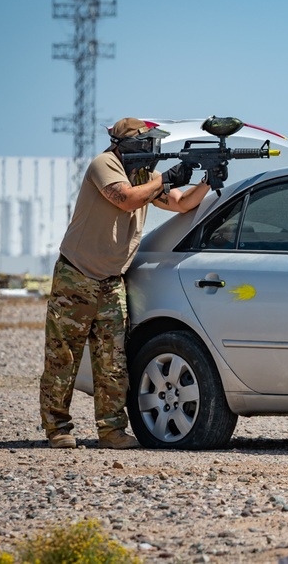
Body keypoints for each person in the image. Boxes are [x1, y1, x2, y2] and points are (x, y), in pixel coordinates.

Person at [40, 118, 218, 449]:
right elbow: (125, 199)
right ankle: (57, 428)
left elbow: (180, 204)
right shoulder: (104, 164)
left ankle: (111, 431)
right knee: (63, 357)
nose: (154, 149)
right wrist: (166, 178)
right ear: (129, 145)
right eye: (148, 143)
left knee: (113, 361)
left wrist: (208, 179)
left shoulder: (145, 176)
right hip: (76, 275)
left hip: (111, 280)